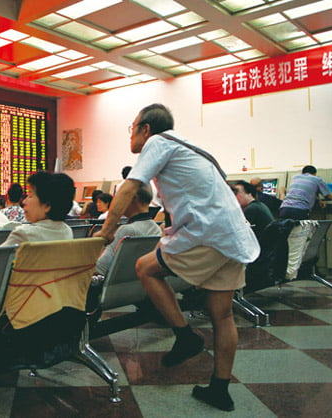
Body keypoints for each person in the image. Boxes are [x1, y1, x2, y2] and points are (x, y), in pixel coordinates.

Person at [95, 103, 259, 412]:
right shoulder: (190, 146)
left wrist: (105, 230)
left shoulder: (158, 141)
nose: (130, 134)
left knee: (145, 267)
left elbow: (131, 186)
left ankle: (184, 336)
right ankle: (219, 389)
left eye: (132, 128)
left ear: (146, 129)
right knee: (221, 314)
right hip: (233, 235)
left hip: (208, 233)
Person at [95, 183, 161, 276]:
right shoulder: (156, 228)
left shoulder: (127, 230)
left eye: (118, 197)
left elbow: (100, 268)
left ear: (133, 198)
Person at [0, 171, 74, 246]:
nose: (24, 202)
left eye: (30, 196)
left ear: (47, 206)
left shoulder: (23, 234)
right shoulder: (67, 231)